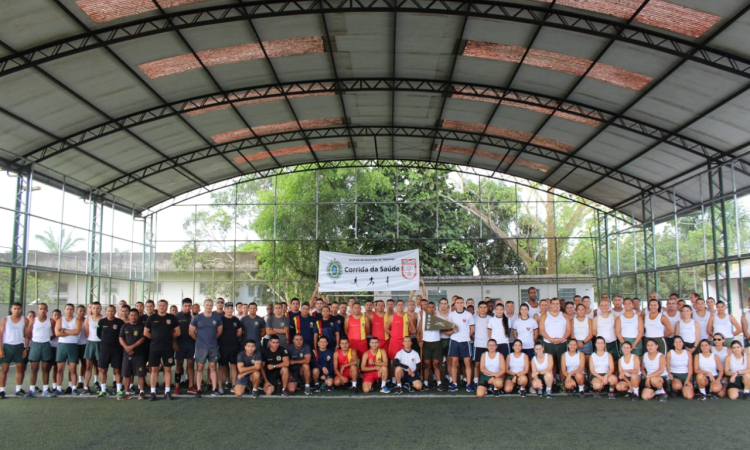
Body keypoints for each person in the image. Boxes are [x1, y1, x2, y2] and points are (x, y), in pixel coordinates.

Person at [145, 299, 180, 401]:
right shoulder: (152, 318)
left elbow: (177, 332)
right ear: (157, 306)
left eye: (164, 305)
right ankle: (153, 392)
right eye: (160, 305)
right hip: (154, 348)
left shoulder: (171, 318)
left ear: (166, 306)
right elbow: (146, 332)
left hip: (168, 348)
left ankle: (167, 391)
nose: (161, 307)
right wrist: (156, 338)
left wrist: (168, 337)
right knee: (154, 369)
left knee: (167, 369)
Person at [189, 299, 222, 398]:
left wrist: (211, 340)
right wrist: (200, 340)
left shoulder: (217, 318)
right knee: (200, 368)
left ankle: (214, 388)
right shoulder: (197, 318)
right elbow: (191, 332)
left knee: (212, 367)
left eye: (211, 305)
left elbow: (219, 332)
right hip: (200, 347)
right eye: (207, 305)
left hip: (213, 346)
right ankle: (199, 389)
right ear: (204, 306)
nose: (209, 307)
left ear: (213, 306)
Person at [95, 305, 125, 398]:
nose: (110, 313)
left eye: (112, 311)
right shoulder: (102, 321)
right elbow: (98, 333)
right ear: (105, 312)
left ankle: (119, 389)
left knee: (117, 370)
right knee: (102, 369)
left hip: (117, 350)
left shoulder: (120, 322)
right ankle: (103, 390)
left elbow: (123, 335)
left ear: (115, 312)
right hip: (104, 349)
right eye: (108, 311)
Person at [0, 302, 29, 399]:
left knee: (20, 368)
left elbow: (26, 335)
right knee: (4, 369)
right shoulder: (5, 320)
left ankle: (18, 389)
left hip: (19, 347)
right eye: (15, 308)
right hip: (7, 346)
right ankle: (1, 390)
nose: (17, 310)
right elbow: (0, 335)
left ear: (21, 309)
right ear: (11, 309)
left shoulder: (24, 320)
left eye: (19, 309)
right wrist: (0, 349)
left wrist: (25, 348)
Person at [54, 303, 83, 396]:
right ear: (64, 310)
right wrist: (71, 332)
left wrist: (64, 330)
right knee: (59, 369)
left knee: (73, 369)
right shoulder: (60, 320)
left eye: (71, 309)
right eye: (67, 309)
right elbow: (57, 333)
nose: (69, 311)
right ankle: (58, 388)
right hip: (62, 346)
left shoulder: (77, 320)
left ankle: (74, 388)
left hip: (73, 346)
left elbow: (77, 331)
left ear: (74, 311)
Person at [26, 303, 54, 397]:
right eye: (41, 309)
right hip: (35, 345)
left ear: (47, 310)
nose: (42, 310)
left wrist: (48, 338)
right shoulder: (33, 320)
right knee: (34, 368)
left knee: (45, 368)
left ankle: (45, 390)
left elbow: (55, 332)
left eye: (44, 309)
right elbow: (28, 333)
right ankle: (31, 390)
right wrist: (35, 340)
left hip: (46, 345)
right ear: (38, 310)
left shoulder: (51, 321)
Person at [539, 298, 571, 380]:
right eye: (554, 303)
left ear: (559, 305)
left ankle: (563, 383)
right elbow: (541, 330)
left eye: (557, 303)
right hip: (549, 343)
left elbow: (569, 330)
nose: (555, 305)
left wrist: (562, 339)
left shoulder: (565, 316)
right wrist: (550, 339)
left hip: (562, 343)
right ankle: (552, 384)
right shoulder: (544, 316)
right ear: (550, 305)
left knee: (562, 364)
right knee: (550, 364)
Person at [447, 297, 474, 392]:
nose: (459, 304)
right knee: (454, 363)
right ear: (455, 304)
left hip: (465, 342)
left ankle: (469, 384)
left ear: (463, 304)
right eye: (457, 302)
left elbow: (472, 329)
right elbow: (448, 328)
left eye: (461, 302)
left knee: (467, 363)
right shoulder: (451, 315)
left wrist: (466, 336)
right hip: (454, 341)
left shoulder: (469, 315)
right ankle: (454, 383)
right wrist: (453, 331)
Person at [218, 302, 242, 393]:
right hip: (222, 347)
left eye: (231, 308)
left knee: (234, 366)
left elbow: (239, 332)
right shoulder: (220, 320)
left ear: (233, 309)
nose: (229, 310)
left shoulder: (236, 320)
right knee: (221, 366)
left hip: (234, 347)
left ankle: (233, 385)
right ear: (224, 309)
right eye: (227, 308)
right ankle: (220, 386)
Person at [174, 298, 195, 395]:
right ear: (182, 306)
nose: (187, 308)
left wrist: (193, 317)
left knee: (190, 365)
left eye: (189, 306)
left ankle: (190, 386)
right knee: (179, 365)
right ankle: (177, 386)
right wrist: (174, 343)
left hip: (191, 345)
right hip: (180, 345)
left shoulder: (194, 317)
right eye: (185, 306)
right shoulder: (176, 316)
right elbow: (173, 332)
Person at [82, 302, 103, 395]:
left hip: (100, 344)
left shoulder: (104, 319)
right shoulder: (88, 319)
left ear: (100, 308)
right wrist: (91, 340)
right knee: (88, 367)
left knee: (101, 367)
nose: (95, 310)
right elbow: (86, 333)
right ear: (91, 309)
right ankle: (86, 387)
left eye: (97, 308)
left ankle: (102, 387)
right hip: (90, 343)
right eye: (94, 308)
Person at [572, 304, 594, 373]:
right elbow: (571, 334)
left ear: (585, 310)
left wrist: (583, 342)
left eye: (582, 309)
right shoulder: (573, 320)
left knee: (588, 364)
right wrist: (577, 343)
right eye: (579, 309)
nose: (581, 311)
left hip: (587, 343)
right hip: (575, 344)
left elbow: (591, 334)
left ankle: (589, 380)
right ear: (576, 310)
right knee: (578, 363)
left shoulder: (589, 320)